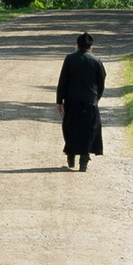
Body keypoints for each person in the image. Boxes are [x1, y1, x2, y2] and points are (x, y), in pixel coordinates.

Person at [55, 32, 106, 171]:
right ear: (91, 47)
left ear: (77, 45)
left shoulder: (70, 59)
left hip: (71, 101)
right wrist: (97, 97)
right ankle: (84, 159)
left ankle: (71, 154)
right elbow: (101, 82)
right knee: (89, 130)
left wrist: (59, 101)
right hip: (89, 101)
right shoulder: (96, 61)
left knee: (71, 128)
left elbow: (63, 81)